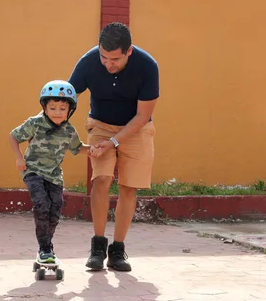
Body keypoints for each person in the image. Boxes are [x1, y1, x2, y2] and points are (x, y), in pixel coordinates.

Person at [68, 22, 159, 272]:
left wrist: (115, 142)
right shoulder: (89, 61)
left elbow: (142, 116)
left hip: (136, 128)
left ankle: (117, 250)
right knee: (101, 179)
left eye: (115, 59)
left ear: (129, 51)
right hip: (100, 124)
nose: (108, 64)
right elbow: (67, 96)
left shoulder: (148, 66)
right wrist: (44, 124)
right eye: (104, 57)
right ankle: (97, 246)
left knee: (129, 187)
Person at [9, 80, 96, 264]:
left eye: (62, 108)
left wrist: (94, 149)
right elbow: (13, 136)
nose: (57, 112)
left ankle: (46, 245)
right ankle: (45, 248)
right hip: (33, 170)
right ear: (45, 108)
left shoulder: (69, 131)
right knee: (41, 204)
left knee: (55, 210)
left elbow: (77, 148)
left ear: (69, 110)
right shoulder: (35, 123)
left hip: (54, 175)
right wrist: (19, 157)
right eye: (53, 108)